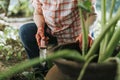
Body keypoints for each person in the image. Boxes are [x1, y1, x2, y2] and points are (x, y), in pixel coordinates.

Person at [19, 0, 97, 79]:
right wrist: (40, 28)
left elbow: (92, 15)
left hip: (77, 38)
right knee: (26, 31)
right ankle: (42, 71)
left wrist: (85, 32)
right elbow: (38, 13)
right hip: (53, 34)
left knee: (82, 69)